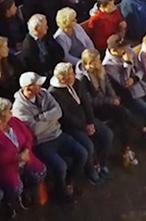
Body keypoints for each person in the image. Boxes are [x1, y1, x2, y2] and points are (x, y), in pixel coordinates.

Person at [11, 71, 92, 199]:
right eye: (37, 84)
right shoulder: (19, 109)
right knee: (61, 166)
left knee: (82, 153)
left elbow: (58, 112)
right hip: (41, 143)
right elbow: (34, 130)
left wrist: (42, 117)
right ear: (28, 88)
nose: (41, 86)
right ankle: (59, 192)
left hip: (57, 134)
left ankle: (69, 182)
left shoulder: (44, 93)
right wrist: (50, 120)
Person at [50, 61, 119, 175]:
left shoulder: (76, 83)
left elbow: (86, 103)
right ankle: (90, 170)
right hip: (72, 127)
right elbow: (66, 116)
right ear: (62, 79)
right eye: (71, 74)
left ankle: (101, 162)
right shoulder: (55, 93)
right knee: (88, 146)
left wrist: (90, 121)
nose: (74, 75)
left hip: (86, 120)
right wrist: (83, 127)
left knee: (107, 134)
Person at [0, 98, 44, 213]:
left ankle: (27, 191)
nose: (11, 113)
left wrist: (26, 150)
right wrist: (16, 158)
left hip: (25, 156)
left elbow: (28, 136)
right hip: (5, 167)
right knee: (16, 188)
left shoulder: (14, 121)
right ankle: (9, 201)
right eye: (8, 111)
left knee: (41, 171)